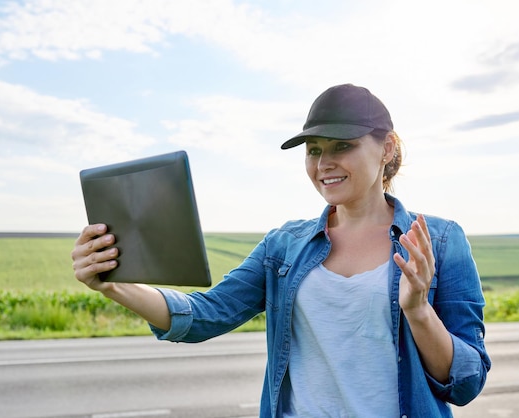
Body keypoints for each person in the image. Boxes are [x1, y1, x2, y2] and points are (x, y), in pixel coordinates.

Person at [71, 83, 491, 417]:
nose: (323, 162)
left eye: (341, 146)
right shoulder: (284, 247)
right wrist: (112, 284)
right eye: (313, 151)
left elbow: (464, 382)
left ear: (387, 149)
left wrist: (418, 311)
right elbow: (203, 316)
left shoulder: (438, 240)